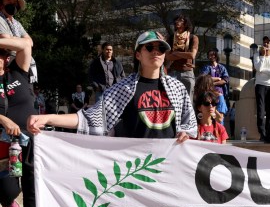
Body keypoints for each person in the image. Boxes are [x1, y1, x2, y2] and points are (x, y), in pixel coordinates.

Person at [28, 30, 197, 141]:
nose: (156, 51)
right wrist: (48, 118)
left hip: (169, 166)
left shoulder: (178, 88)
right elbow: (89, 119)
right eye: (149, 47)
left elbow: (188, 124)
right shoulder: (122, 89)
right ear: (138, 54)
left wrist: (186, 134)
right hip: (136, 167)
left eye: (161, 48)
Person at [0, 36, 37, 207]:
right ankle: (6, 197)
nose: (4, 59)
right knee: (8, 189)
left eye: (5, 54)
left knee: (32, 187)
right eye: (0, 55)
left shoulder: (18, 71)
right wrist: (3, 119)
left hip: (30, 139)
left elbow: (25, 44)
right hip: (4, 143)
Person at [0, 0, 36, 83]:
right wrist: (21, 42)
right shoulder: (0, 20)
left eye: (14, 2)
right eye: (8, 1)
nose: (12, 4)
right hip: (9, 65)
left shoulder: (16, 23)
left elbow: (30, 42)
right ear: (1, 4)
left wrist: (16, 41)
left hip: (21, 62)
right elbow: (7, 41)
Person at [253, 36, 270, 142]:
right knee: (260, 110)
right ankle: (262, 133)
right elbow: (258, 68)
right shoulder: (257, 55)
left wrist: (263, 70)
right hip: (260, 85)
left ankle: (269, 133)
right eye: (264, 42)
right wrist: (263, 56)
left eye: (268, 43)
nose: (266, 44)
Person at [166, 14, 199, 100]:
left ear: (186, 23)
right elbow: (168, 57)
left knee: (188, 102)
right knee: (171, 101)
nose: (177, 22)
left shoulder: (193, 38)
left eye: (180, 20)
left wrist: (176, 53)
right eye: (176, 20)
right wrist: (184, 54)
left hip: (187, 73)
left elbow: (192, 55)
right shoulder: (170, 38)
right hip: (173, 73)